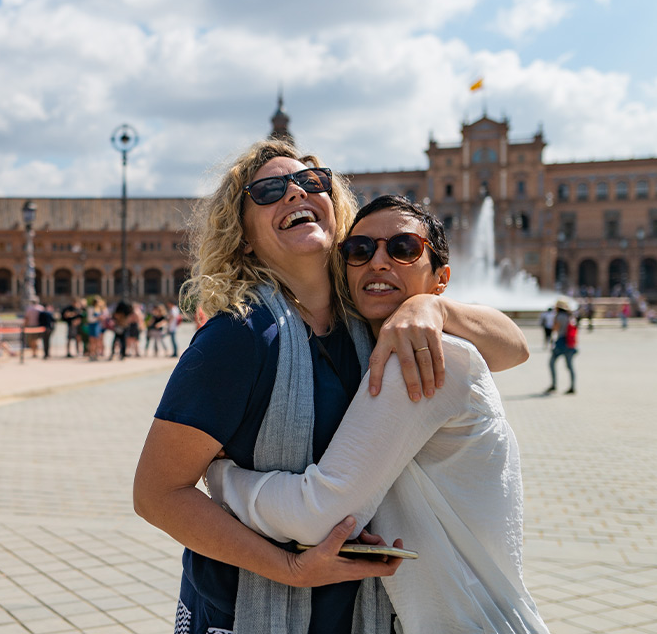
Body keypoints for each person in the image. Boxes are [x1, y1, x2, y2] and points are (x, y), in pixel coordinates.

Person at [133, 140, 529, 634]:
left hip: (360, 612)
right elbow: (156, 494)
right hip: (251, 607)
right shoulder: (238, 336)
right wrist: (288, 570)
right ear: (244, 238)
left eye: (311, 182)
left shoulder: (372, 326)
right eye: (269, 191)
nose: (295, 191)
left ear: (336, 215)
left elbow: (513, 348)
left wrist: (434, 307)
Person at [206, 195, 549, 633]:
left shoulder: (424, 358)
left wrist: (221, 476)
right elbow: (514, 349)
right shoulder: (381, 351)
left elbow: (318, 513)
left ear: (440, 278)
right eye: (359, 250)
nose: (379, 261)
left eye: (404, 248)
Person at [544, 297, 578, 395]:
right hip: (570, 343)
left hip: (561, 342)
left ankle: (554, 385)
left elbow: (555, 329)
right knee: (570, 366)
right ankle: (572, 386)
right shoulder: (570, 316)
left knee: (552, 363)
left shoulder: (559, 316)